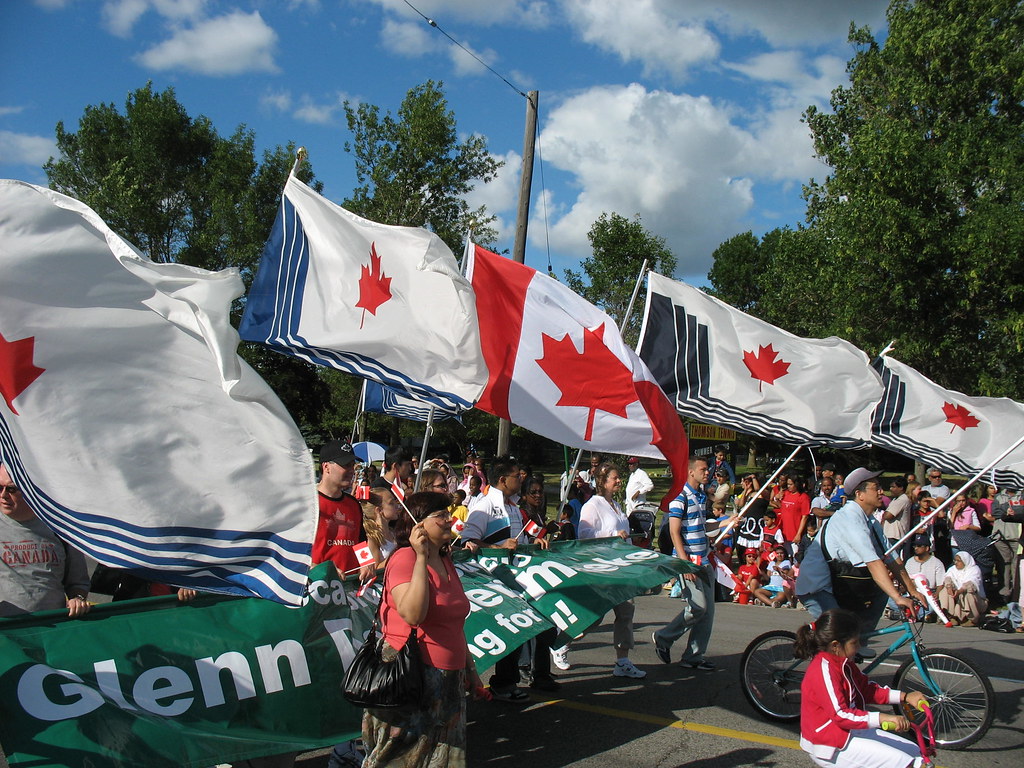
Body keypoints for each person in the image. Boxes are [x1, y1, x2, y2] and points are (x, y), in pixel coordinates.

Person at [361, 492, 486, 768]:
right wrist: (420, 558)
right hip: (411, 675)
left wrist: (471, 672)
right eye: (440, 515)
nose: (449, 519)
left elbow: (455, 624)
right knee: (401, 758)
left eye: (447, 513)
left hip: (448, 679)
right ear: (418, 524)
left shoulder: (445, 559)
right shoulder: (404, 559)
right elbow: (413, 614)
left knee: (440, 760)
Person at [795, 609, 927, 768]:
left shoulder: (844, 663)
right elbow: (840, 714)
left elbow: (866, 689)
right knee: (905, 763)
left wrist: (905, 697)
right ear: (835, 645)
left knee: (915, 751)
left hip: (851, 731)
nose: (858, 646)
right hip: (831, 743)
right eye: (854, 642)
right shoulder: (823, 670)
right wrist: (882, 718)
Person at [795, 467, 924, 631]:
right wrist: (898, 598)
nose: (881, 491)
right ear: (859, 494)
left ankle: (860, 642)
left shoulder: (870, 521)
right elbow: (874, 563)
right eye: (875, 487)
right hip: (817, 587)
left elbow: (892, 558)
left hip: (839, 583)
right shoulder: (850, 518)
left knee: (879, 596)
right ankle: (824, 652)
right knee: (841, 633)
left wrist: (913, 591)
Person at [577, 461, 647, 679]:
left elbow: (623, 537)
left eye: (618, 478)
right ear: (602, 481)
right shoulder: (592, 505)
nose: (618, 481)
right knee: (594, 618)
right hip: (600, 569)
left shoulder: (616, 506)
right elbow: (584, 536)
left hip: (621, 570)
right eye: (614, 478)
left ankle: (622, 660)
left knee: (626, 612)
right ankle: (563, 642)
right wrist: (611, 536)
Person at [0, 462, 91, 618]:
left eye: (11, 489)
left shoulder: (60, 527)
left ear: (30, 488)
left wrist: (78, 599)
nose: (3, 495)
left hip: (52, 632)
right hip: (7, 633)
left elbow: (77, 583)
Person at [652, 456, 717, 671]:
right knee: (698, 607)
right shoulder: (680, 496)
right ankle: (663, 637)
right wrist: (684, 562)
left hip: (705, 560)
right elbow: (674, 531)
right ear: (691, 472)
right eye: (703, 469)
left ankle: (694, 656)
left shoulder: (701, 496)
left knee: (707, 613)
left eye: (707, 470)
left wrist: (726, 522)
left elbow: (702, 527)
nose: (707, 473)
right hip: (689, 562)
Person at [313, 440, 373, 580]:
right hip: (315, 587)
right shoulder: (307, 503)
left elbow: (360, 541)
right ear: (326, 467)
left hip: (349, 588)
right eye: (345, 465)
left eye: (352, 465)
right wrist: (316, 569)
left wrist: (367, 562)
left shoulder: (353, 504)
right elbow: (291, 550)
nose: (351, 470)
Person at [938, 552, 987, 627]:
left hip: (977, 600)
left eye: (959, 561)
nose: (956, 563)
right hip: (958, 597)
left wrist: (959, 591)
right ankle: (951, 616)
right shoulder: (952, 569)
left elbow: (971, 584)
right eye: (955, 560)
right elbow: (948, 578)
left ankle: (973, 619)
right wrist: (949, 587)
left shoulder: (974, 570)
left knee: (969, 593)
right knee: (944, 591)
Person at [904, 534, 945, 622]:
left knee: (931, 606)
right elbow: (905, 580)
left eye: (919, 546)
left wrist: (936, 595)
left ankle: (910, 615)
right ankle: (921, 616)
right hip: (912, 593)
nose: (916, 548)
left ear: (927, 548)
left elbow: (940, 584)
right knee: (891, 600)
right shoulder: (909, 562)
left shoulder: (937, 563)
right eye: (915, 545)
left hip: (928, 594)